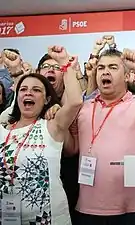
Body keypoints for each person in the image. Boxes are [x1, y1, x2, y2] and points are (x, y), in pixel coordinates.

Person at [73, 48, 135, 225]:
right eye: (101, 68)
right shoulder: (84, 107)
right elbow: (70, 148)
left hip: (132, 211)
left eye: (112, 67)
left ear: (127, 76)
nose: (105, 72)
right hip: (87, 210)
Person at [0, 45, 83, 224]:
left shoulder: (53, 126)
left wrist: (65, 64)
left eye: (36, 90)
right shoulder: (2, 129)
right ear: (17, 95)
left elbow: (75, 102)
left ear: (46, 99)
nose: (29, 92)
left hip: (49, 219)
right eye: (23, 89)